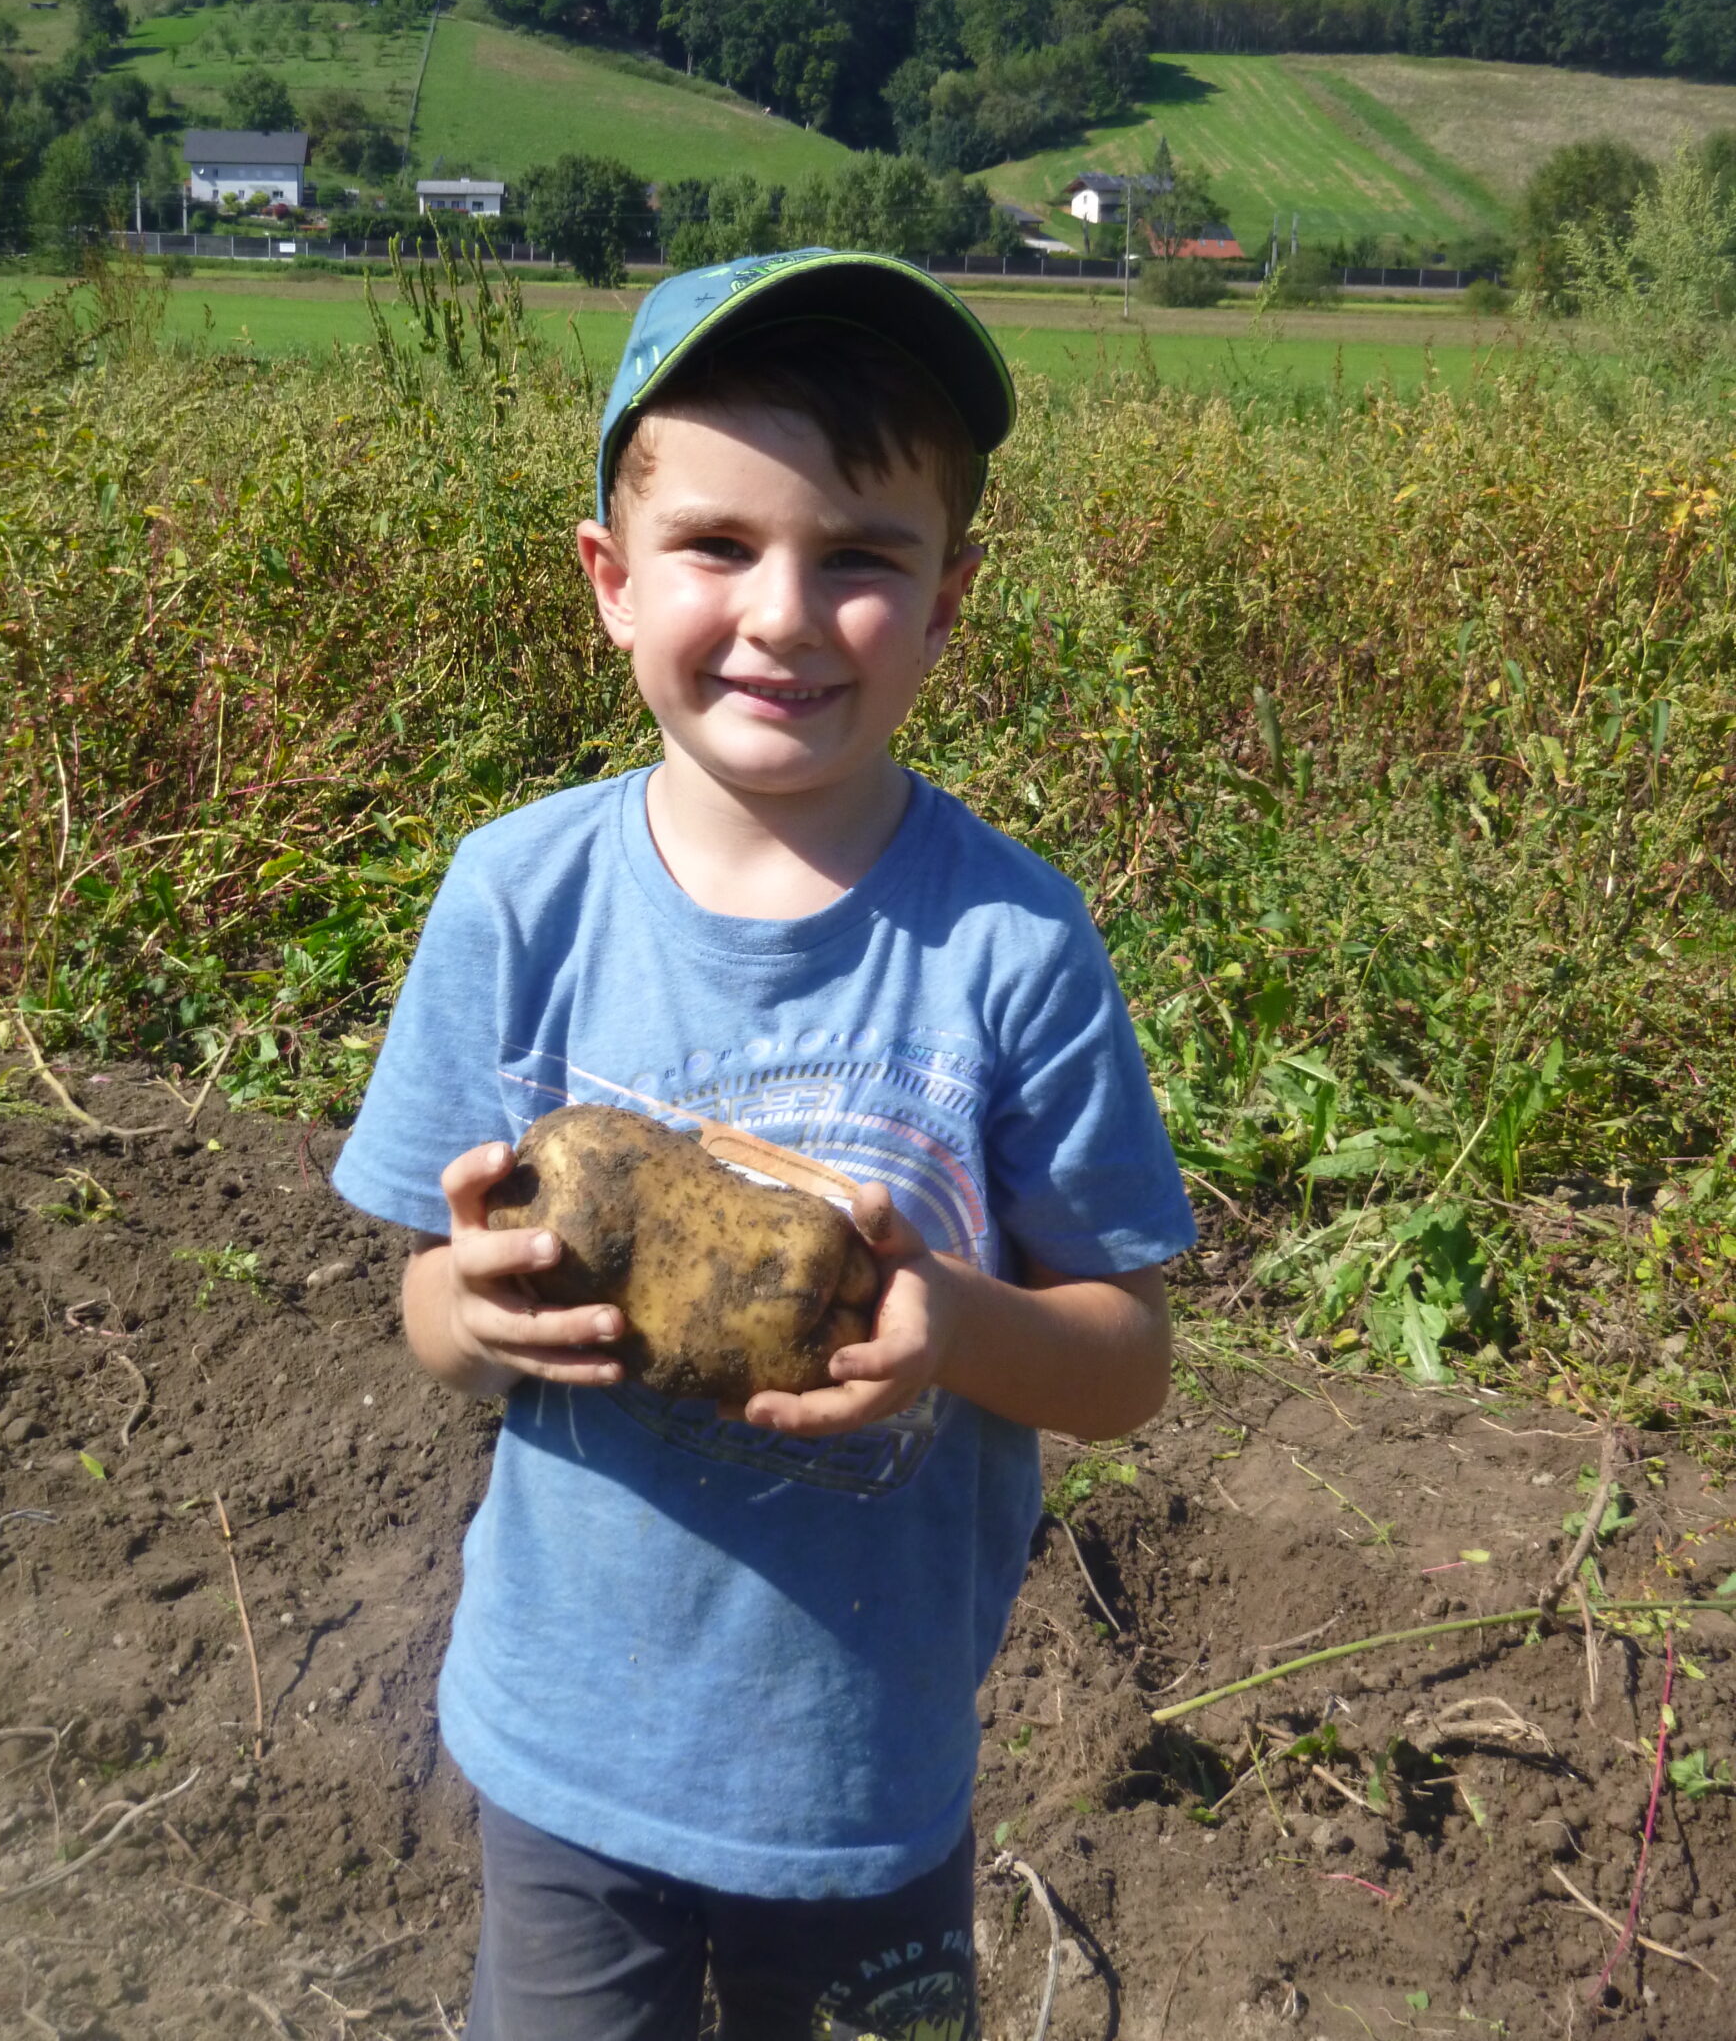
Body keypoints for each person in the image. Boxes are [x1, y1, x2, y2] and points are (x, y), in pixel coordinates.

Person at [333, 248, 1195, 2040]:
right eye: (719, 545)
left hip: (861, 1778)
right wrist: (474, 1316)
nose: (788, 615)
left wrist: (953, 1328)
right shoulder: (520, 900)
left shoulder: (1015, 946)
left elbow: (1125, 1368)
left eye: (862, 557)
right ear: (610, 581)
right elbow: (426, 1314)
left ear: (951, 598)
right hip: (562, 1748)